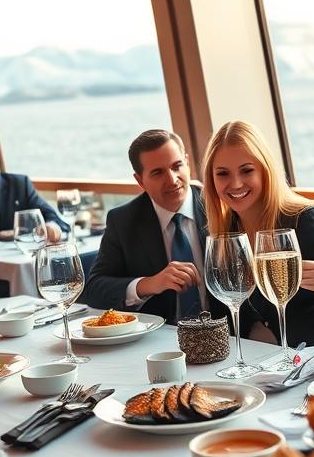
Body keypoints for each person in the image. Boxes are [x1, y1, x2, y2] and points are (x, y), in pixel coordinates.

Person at [203, 120, 314, 348]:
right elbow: (225, 315)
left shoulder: (305, 219)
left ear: (265, 172)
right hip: (263, 363)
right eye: (223, 174)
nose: (236, 183)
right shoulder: (225, 234)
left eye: (247, 170)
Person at [84, 129, 225, 324]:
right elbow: (94, 289)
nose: (172, 179)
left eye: (177, 166)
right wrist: (149, 284)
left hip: (228, 331)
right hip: (161, 338)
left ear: (187, 162)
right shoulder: (123, 220)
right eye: (158, 173)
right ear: (140, 180)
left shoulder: (220, 204)